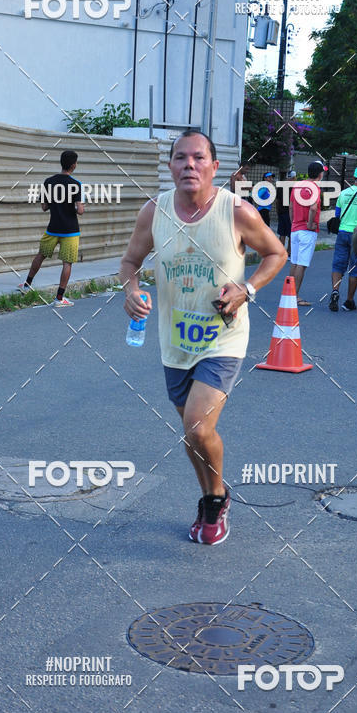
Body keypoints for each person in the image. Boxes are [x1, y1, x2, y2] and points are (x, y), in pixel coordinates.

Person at [120, 130, 287, 545]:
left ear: (215, 167)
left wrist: (247, 289)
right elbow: (129, 262)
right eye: (181, 158)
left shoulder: (238, 212)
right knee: (193, 433)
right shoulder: (153, 212)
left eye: (198, 158)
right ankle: (214, 494)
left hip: (223, 339)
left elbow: (276, 253)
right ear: (171, 166)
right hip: (174, 343)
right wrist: (130, 289)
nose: (189, 165)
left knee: (196, 425)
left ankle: (214, 502)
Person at [18, 151, 84, 306]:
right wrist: (73, 208)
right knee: (67, 263)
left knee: (41, 255)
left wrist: (57, 204)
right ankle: (59, 299)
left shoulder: (48, 182)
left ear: (61, 163)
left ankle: (27, 285)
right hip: (71, 231)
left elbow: (44, 207)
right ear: (73, 165)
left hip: (53, 228)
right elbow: (80, 210)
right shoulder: (76, 185)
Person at [328, 165, 357, 312]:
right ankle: (349, 301)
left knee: (338, 265)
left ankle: (335, 291)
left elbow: (337, 214)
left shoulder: (343, 193)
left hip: (342, 233)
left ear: (354, 177)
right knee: (354, 268)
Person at [289, 161, 322, 306]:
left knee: (294, 262)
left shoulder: (297, 185)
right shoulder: (314, 188)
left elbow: (290, 206)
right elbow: (313, 208)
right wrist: (309, 224)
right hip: (307, 230)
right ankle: (295, 296)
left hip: (295, 228)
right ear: (320, 174)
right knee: (302, 264)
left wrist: (293, 223)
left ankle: (288, 294)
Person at [275, 169, 293, 251]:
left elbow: (277, 200)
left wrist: (277, 211)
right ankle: (289, 252)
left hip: (281, 212)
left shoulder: (281, 186)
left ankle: (281, 252)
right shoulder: (294, 187)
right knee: (290, 234)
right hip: (289, 213)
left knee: (282, 234)